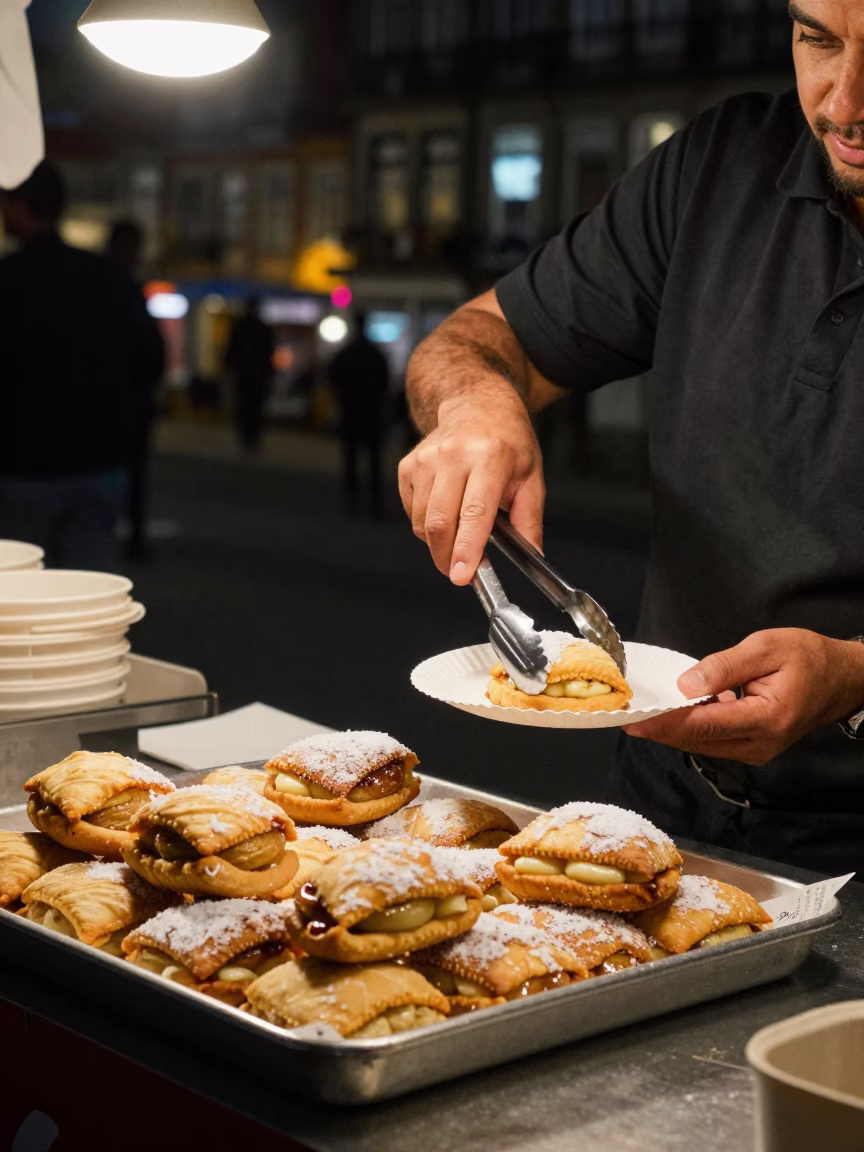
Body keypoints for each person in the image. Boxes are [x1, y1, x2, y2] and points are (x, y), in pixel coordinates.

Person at [398, 1, 864, 877]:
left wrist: (853, 676)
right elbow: (468, 340)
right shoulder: (722, 164)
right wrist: (474, 404)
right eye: (818, 38)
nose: (844, 103)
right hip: (660, 808)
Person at [0, 163, 157, 571]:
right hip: (98, 462)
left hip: (24, 464)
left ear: (20, 206)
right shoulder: (109, 280)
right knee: (85, 592)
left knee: (22, 596)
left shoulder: (9, 281)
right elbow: (149, 361)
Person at [106, 220, 165, 562]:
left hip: (119, 401)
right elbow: (151, 352)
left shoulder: (116, 288)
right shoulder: (126, 291)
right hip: (125, 401)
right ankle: (130, 536)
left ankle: (129, 535)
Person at [328, 313, 390, 517]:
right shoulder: (374, 353)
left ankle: (352, 500)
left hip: (351, 410)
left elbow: (333, 377)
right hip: (371, 411)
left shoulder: (347, 353)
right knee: (373, 459)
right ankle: (374, 502)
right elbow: (385, 381)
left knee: (352, 457)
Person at [225, 297, 275, 453]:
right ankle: (251, 437)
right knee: (253, 408)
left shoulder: (243, 327)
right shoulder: (259, 328)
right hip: (253, 376)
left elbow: (232, 351)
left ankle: (248, 437)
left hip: (248, 375)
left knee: (247, 407)